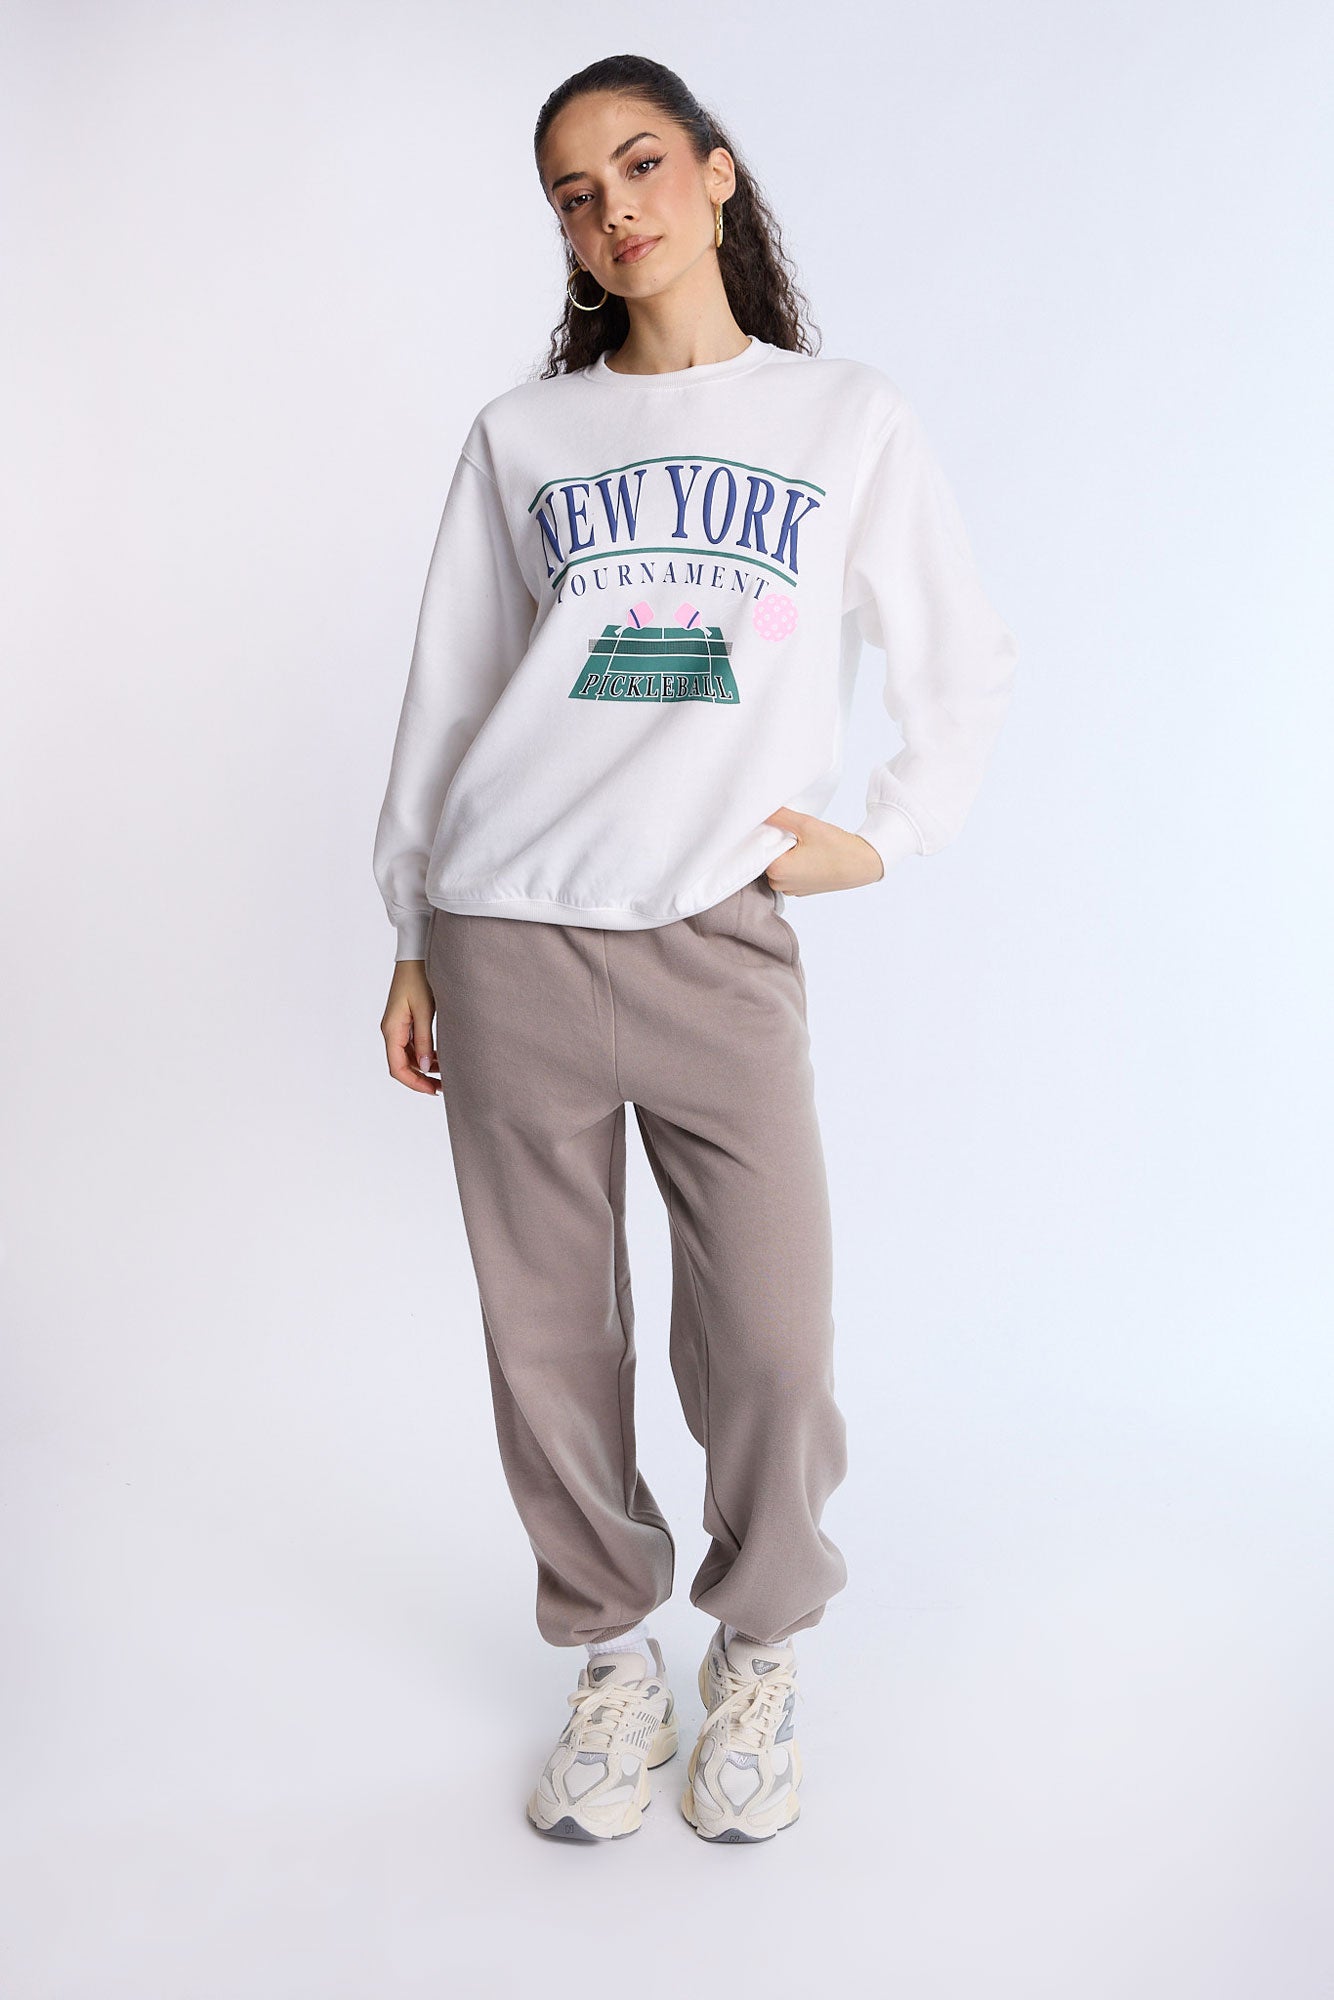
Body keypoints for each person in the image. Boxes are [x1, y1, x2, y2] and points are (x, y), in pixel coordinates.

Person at [373, 53, 1019, 1845]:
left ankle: (760, 1647)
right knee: (546, 1343)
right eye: (575, 195)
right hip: (508, 929)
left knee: (772, 1347)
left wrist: (884, 833)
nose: (615, 211)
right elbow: (448, 692)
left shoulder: (842, 417)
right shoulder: (524, 435)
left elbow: (960, 653)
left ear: (717, 175)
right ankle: (607, 1659)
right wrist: (412, 923)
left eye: (642, 165)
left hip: (716, 936)